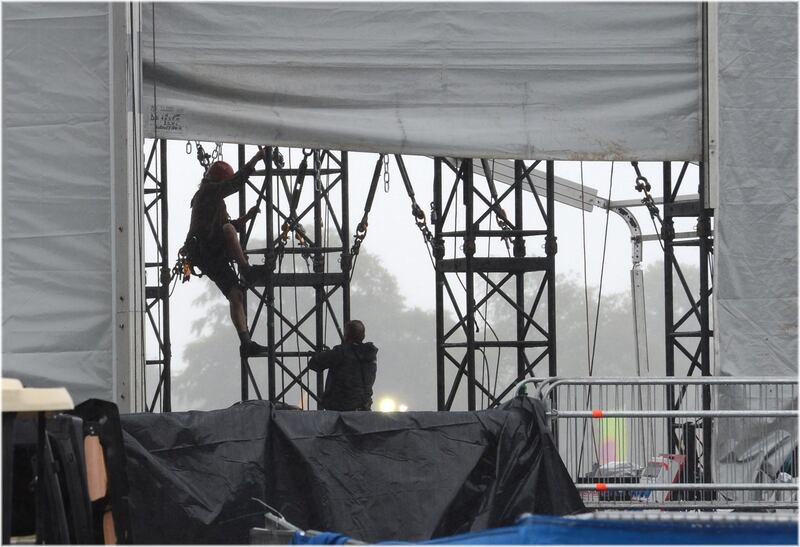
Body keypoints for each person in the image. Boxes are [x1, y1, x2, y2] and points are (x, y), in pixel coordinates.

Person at [181, 148, 267, 357]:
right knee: (228, 230)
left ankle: (246, 342)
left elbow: (225, 225)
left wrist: (245, 218)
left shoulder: (213, 199)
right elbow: (235, 184)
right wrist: (256, 159)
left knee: (236, 294)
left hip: (211, 253)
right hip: (206, 251)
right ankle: (246, 270)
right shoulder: (208, 193)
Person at [309, 320, 378, 411]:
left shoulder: (341, 352)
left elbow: (314, 363)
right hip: (363, 407)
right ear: (363, 336)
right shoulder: (370, 354)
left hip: (340, 408)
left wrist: (325, 354)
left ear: (346, 335)